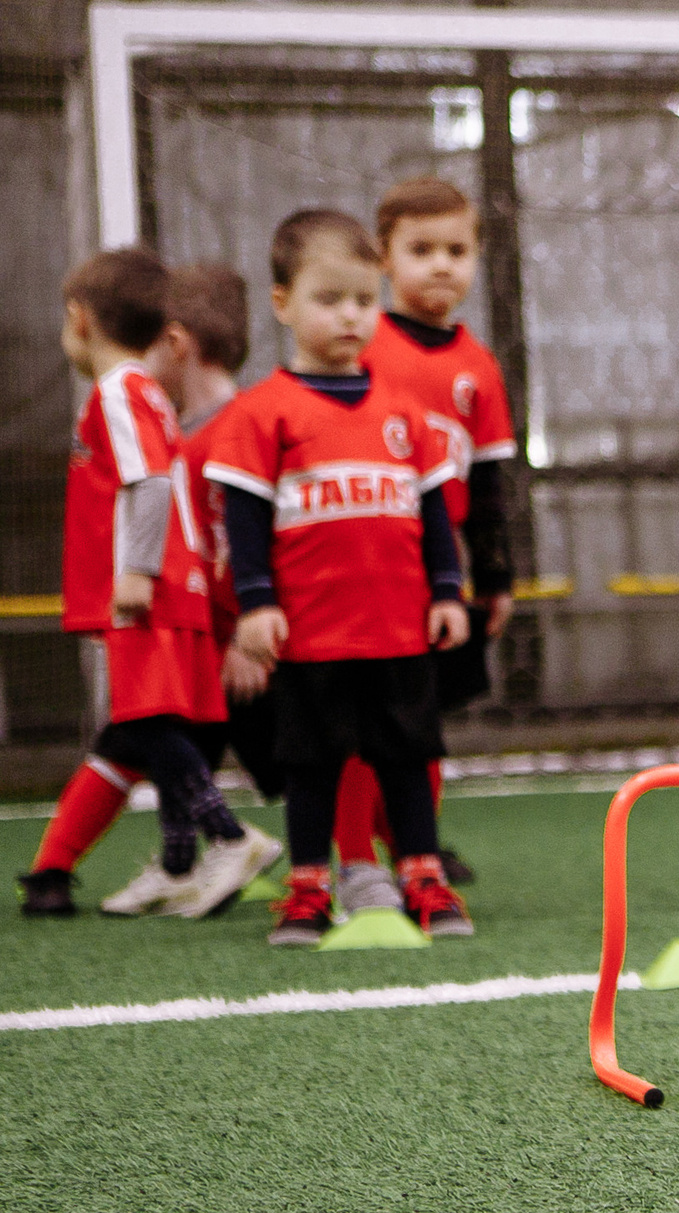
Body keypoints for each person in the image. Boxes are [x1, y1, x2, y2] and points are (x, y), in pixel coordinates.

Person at [201, 209, 475, 945]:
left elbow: (433, 516)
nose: (351, 315)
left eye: (363, 298)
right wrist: (255, 605)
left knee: (408, 758)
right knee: (313, 764)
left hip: (398, 629)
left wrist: (447, 591)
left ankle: (422, 874)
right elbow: (246, 521)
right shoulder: (263, 414)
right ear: (282, 302)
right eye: (330, 299)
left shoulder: (404, 417)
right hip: (314, 636)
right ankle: (310, 887)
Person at [17, 248, 279, 920]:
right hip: (179, 588)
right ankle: (180, 864)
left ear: (79, 320)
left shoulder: (117, 393)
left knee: (146, 720)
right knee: (158, 722)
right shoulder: (151, 396)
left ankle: (227, 835)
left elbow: (152, 481)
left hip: (151, 590)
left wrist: (135, 570)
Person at [329, 176, 519, 909]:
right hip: (357, 568)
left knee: (419, 720)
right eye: (421, 249)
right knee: (349, 718)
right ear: (384, 258)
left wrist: (495, 575)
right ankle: (351, 858)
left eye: (457, 250)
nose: (441, 265)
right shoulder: (362, 344)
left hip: (435, 578)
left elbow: (493, 479)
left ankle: (419, 849)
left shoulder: (479, 367)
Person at [162, 262, 289, 812]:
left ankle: (408, 851)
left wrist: (247, 636)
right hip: (208, 645)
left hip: (250, 647)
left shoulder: (235, 431)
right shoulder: (174, 436)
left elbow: (252, 542)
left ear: (176, 344)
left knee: (305, 765)